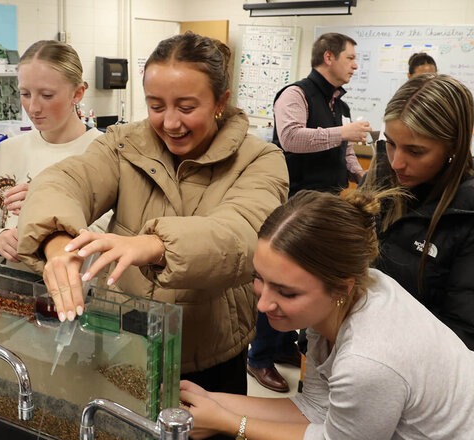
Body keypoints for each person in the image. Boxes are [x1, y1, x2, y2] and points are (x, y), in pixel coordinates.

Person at [17, 32, 288, 394]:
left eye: (187, 108)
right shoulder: (123, 144)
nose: (171, 123)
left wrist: (155, 245)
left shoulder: (260, 160)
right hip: (121, 344)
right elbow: (64, 182)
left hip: (209, 359)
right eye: (156, 107)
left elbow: (242, 236)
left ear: (221, 101)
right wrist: (58, 244)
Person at [179, 189, 474, 440]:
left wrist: (229, 423)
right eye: (260, 278)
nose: (263, 304)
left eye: (287, 293)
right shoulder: (350, 296)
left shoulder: (368, 360)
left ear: (341, 287)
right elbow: (316, 408)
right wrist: (210, 400)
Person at [247, 33, 373, 393]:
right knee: (283, 283)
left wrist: (363, 179)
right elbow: (291, 138)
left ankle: (285, 346)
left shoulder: (339, 105)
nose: (355, 65)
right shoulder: (295, 94)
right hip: (294, 210)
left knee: (308, 288)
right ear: (329, 57)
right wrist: (342, 132)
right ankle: (258, 358)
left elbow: (344, 155)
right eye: (350, 58)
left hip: (326, 211)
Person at [363, 74, 474, 354]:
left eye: (416, 151)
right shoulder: (383, 173)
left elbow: (466, 338)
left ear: (452, 147)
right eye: (390, 143)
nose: (397, 163)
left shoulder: (472, 216)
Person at [0, 40, 110, 268]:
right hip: (11, 290)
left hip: (76, 292)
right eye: (25, 94)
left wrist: (45, 210)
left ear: (78, 93)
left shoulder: (104, 155)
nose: (33, 107)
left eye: (46, 95)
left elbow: (105, 242)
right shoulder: (6, 153)